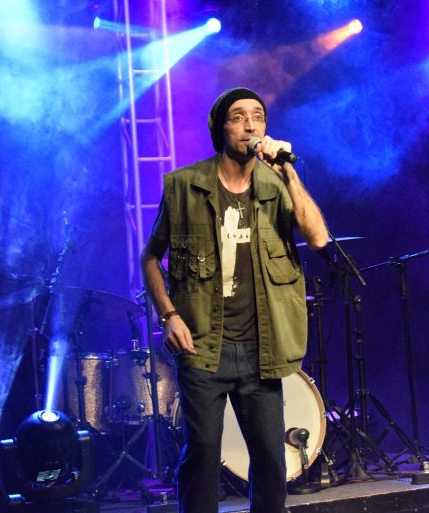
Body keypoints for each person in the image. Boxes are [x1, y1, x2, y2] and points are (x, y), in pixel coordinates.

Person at [141, 87, 328, 513]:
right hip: (203, 346)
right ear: (220, 129)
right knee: (204, 452)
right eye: (238, 117)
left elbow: (318, 238)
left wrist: (289, 174)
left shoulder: (276, 184)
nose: (250, 125)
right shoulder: (184, 185)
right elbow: (150, 257)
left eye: (257, 116)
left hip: (262, 347)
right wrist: (168, 315)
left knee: (270, 458)